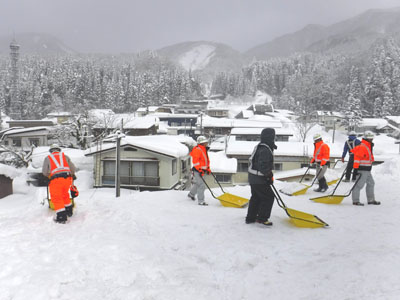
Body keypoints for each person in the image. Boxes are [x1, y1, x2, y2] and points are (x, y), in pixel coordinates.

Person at [245, 128, 277, 226]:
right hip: (259, 178)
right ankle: (262, 218)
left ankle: (251, 218)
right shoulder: (265, 149)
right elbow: (263, 166)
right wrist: (268, 175)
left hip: (253, 177)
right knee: (269, 197)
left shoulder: (260, 146)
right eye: (273, 136)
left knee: (256, 197)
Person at [42, 144, 76, 223]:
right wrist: (72, 174)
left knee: (56, 198)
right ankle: (69, 212)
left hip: (56, 180)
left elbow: (44, 172)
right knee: (65, 194)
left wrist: (48, 176)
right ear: (59, 150)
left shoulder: (48, 158)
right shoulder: (65, 156)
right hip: (67, 179)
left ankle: (62, 217)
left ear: (51, 151)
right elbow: (73, 168)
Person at [351, 131, 380, 206]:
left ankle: (371, 200)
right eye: (370, 138)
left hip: (367, 170)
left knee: (371, 183)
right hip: (362, 170)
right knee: (358, 185)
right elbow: (356, 159)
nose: (372, 140)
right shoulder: (362, 147)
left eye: (372, 138)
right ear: (366, 138)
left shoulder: (368, 146)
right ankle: (355, 201)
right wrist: (355, 170)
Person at [188, 136, 211, 206]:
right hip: (198, 171)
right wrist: (200, 170)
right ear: (202, 143)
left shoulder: (203, 149)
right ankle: (201, 201)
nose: (207, 143)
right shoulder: (198, 150)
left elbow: (205, 161)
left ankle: (191, 194)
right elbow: (196, 162)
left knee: (198, 184)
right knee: (201, 185)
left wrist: (208, 169)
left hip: (202, 170)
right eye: (205, 142)